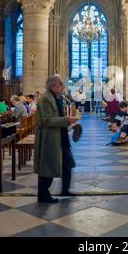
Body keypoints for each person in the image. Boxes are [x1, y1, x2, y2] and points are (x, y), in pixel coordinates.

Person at [34, 75, 79, 203]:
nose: (63, 86)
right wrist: (67, 120)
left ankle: (65, 189)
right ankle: (43, 195)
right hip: (50, 139)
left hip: (60, 137)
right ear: (52, 85)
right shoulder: (45, 99)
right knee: (47, 168)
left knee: (68, 164)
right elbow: (47, 120)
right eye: (61, 84)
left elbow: (58, 116)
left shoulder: (56, 98)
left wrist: (69, 124)